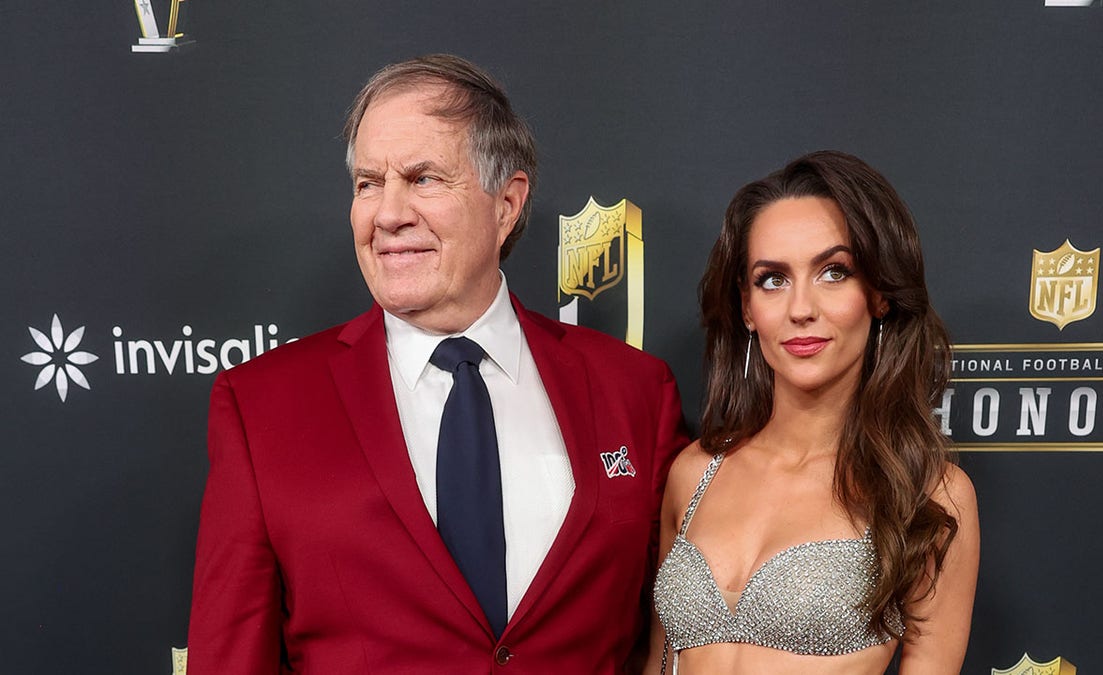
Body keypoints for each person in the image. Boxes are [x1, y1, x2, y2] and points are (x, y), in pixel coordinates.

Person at [187, 54, 689, 674]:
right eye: (368, 183)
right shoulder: (261, 404)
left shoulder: (634, 389)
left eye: (423, 178)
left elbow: (674, 632)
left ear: (507, 203)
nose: (388, 213)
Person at [649, 151, 979, 674]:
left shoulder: (927, 494)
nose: (801, 308)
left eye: (833, 272)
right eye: (772, 280)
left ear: (879, 296)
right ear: (746, 308)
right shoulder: (695, 473)